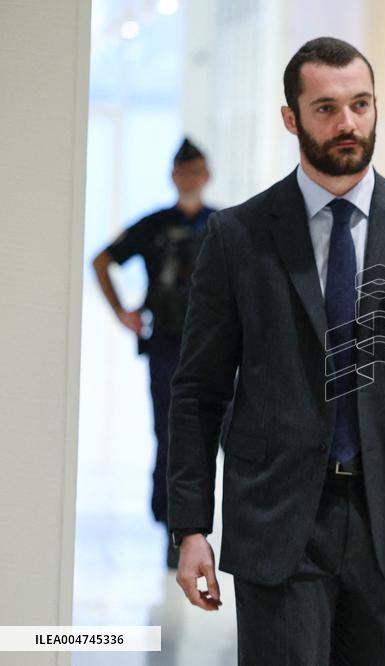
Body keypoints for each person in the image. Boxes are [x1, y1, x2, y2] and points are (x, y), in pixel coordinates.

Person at [167, 37, 385, 665]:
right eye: (327, 108)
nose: (348, 123)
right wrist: (191, 526)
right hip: (279, 518)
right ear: (292, 118)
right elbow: (199, 390)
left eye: (361, 104)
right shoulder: (236, 237)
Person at [92, 137, 214, 569]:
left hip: (215, 351)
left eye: (195, 171)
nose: (189, 179)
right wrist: (121, 312)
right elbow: (102, 261)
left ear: (207, 175)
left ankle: (213, 526)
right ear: (173, 176)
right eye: (183, 172)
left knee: (220, 437)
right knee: (170, 436)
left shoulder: (223, 225)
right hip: (166, 347)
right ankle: (175, 529)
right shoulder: (154, 225)